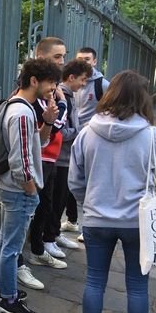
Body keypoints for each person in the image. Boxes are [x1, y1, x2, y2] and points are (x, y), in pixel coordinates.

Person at [68, 70, 156, 313]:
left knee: (95, 280)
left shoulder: (88, 132)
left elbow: (76, 179)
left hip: (97, 218)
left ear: (110, 93)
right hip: (139, 222)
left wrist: (88, 202)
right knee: (138, 285)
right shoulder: (152, 135)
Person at [0, 57, 61, 313]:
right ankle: (9, 300)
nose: (53, 89)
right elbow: (21, 163)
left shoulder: (25, 108)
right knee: (11, 246)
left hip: (11, 187)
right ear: (34, 80)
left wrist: (48, 121)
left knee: (4, 241)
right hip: (18, 189)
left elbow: (38, 144)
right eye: (51, 82)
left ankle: (3, 291)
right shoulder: (21, 113)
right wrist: (32, 192)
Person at [25, 37, 70, 271]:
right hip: (39, 159)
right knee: (29, 210)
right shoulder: (34, 93)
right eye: (57, 57)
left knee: (45, 205)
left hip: (49, 157)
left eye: (64, 56)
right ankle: (22, 261)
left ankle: (38, 248)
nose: (63, 61)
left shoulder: (49, 90)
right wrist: (62, 103)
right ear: (41, 58)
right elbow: (55, 123)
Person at [51, 59, 93, 252]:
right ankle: (48, 238)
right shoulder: (63, 98)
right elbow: (60, 132)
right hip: (59, 159)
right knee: (55, 202)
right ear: (71, 77)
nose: (83, 84)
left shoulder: (68, 96)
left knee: (60, 202)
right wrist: (82, 129)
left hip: (66, 158)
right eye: (82, 80)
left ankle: (54, 235)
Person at [70, 47, 110, 242]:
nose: (84, 62)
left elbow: (110, 111)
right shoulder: (70, 81)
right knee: (72, 182)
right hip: (71, 139)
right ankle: (72, 220)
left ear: (94, 61)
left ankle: (88, 227)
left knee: (90, 184)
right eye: (80, 59)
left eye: (87, 59)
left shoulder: (102, 85)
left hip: (92, 140)